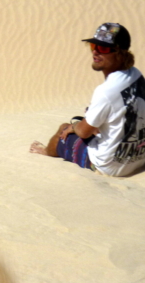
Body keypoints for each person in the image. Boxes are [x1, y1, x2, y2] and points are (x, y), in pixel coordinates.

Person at [30, 23, 145, 177]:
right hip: (139, 158)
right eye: (93, 46)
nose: (95, 52)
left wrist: (74, 126)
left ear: (120, 53)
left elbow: (83, 132)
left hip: (110, 166)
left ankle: (45, 152)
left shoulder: (105, 91)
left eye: (103, 49)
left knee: (63, 129)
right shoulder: (136, 75)